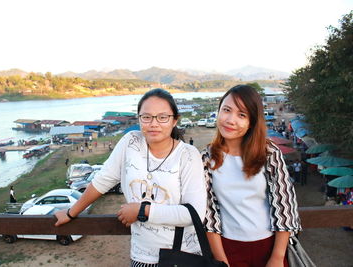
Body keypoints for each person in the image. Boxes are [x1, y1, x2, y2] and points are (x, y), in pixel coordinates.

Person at [55, 88, 207, 266]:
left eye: (163, 117)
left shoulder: (188, 155)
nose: (154, 123)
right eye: (146, 117)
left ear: (175, 120)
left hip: (181, 256)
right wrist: (71, 213)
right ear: (139, 119)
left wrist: (142, 211)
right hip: (141, 256)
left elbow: (194, 213)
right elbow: (103, 181)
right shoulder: (130, 142)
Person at [203, 85, 301, 267]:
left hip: (269, 246)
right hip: (227, 247)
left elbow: (284, 205)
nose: (231, 120)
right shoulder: (207, 157)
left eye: (242, 115)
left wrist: (277, 257)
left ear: (252, 121)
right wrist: (221, 260)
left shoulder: (269, 152)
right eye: (226, 110)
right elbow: (209, 213)